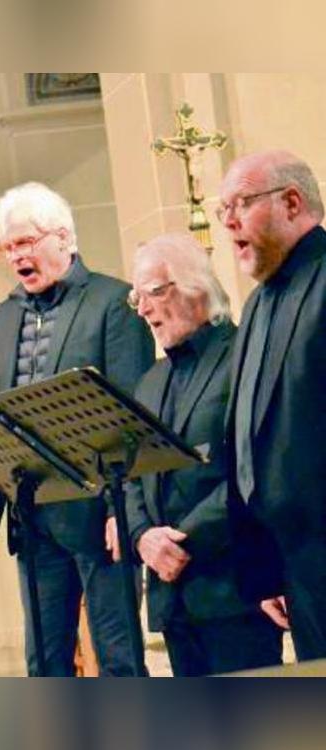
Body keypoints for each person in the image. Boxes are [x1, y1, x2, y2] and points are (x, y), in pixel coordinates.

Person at [0, 182, 154, 676]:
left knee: (119, 659)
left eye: (27, 241)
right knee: (44, 663)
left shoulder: (112, 302)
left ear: (64, 237)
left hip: (98, 512)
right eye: (8, 246)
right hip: (33, 513)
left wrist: (124, 509)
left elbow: (131, 417)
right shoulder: (5, 316)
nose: (17, 256)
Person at [120, 233, 282, 675]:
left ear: (195, 286)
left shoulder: (244, 356)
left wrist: (183, 538)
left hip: (233, 586)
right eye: (137, 297)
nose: (143, 308)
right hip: (173, 598)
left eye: (153, 291)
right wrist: (142, 538)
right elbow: (132, 476)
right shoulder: (149, 383)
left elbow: (257, 464)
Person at [217, 150, 326, 661]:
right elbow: (247, 439)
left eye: (240, 203)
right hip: (294, 564)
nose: (230, 222)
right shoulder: (258, 304)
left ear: (291, 201)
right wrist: (264, 564)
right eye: (223, 212)